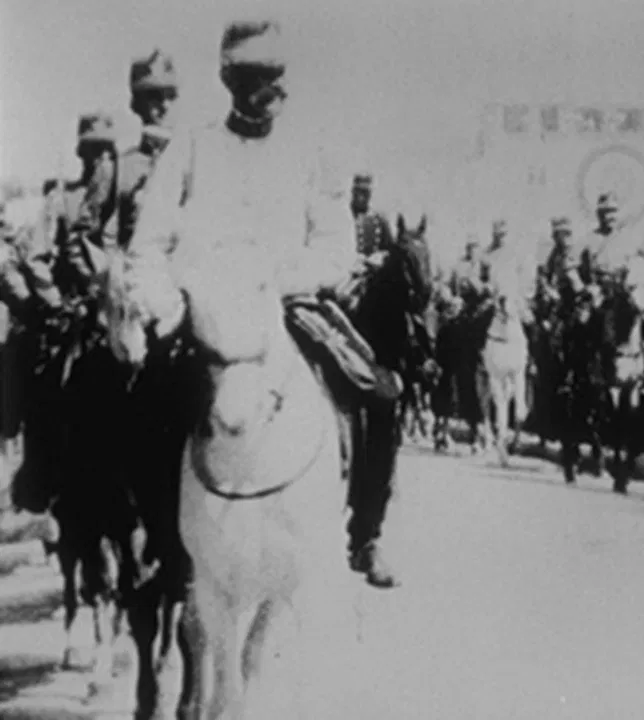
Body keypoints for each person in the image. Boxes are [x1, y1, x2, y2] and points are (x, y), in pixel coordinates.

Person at [128, 18, 404, 588]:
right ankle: (164, 546)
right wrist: (169, 299)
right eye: (258, 77)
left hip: (287, 305)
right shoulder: (191, 147)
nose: (274, 90)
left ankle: (364, 534)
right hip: (202, 311)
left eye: (278, 75)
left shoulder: (310, 153)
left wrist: (282, 279)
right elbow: (148, 242)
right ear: (229, 79)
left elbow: (335, 247)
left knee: (378, 393)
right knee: (146, 397)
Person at [9, 112, 119, 513]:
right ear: (81, 154)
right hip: (75, 313)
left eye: (106, 152)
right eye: (92, 152)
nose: (100, 161)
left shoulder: (128, 194)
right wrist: (56, 300)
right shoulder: (62, 199)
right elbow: (35, 258)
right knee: (47, 384)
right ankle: (41, 478)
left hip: (123, 307)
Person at [113, 49, 180, 249]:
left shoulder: (193, 164)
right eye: (155, 97)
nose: (165, 106)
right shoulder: (120, 170)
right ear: (135, 104)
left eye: (171, 96)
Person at [351, 172, 395, 256]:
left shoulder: (379, 220)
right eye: (358, 191)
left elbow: (390, 251)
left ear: (370, 194)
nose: (361, 197)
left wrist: (377, 257)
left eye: (365, 193)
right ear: (353, 192)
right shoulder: (340, 218)